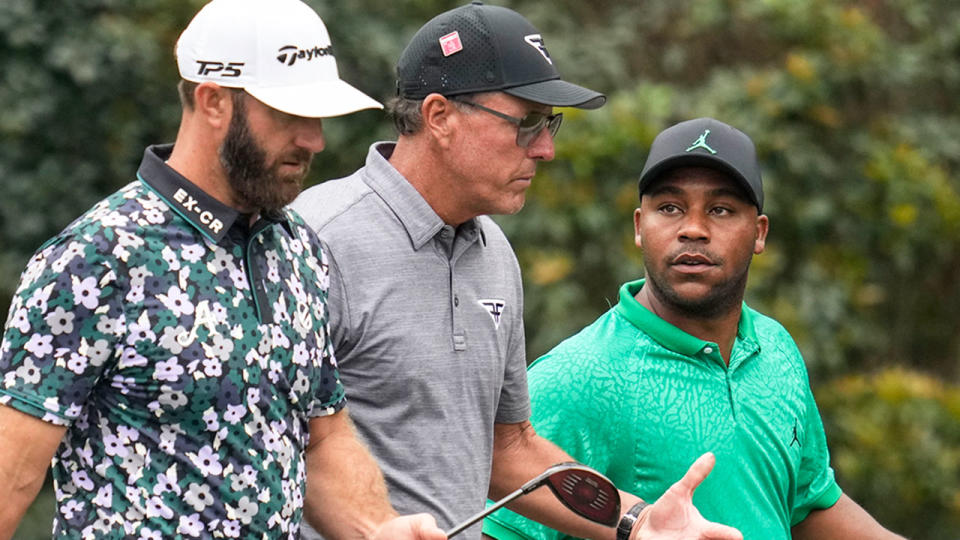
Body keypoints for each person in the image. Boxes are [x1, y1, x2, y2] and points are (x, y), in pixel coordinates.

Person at [292, 4, 741, 540]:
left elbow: (507, 448)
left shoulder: (494, 252)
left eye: (548, 125)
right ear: (439, 117)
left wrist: (636, 523)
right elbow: (270, 443)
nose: (546, 149)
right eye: (526, 123)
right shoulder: (313, 240)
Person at [0, 1, 446, 539]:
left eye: (317, 116)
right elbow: (12, 473)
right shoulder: (99, 256)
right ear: (213, 102)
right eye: (290, 115)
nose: (314, 139)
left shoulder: (297, 248)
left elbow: (320, 437)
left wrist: (378, 529)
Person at [480, 117, 907, 539]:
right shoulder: (578, 378)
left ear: (759, 233)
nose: (693, 230)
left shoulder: (775, 348)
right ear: (638, 227)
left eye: (720, 210)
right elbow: (495, 530)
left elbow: (809, 505)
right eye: (670, 208)